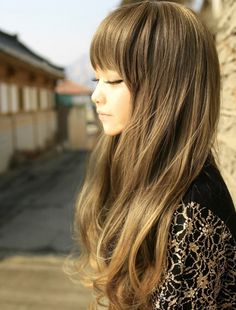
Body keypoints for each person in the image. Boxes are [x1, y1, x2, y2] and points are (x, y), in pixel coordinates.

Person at [74, 1, 236, 309]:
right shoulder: (148, 175)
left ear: (167, 87)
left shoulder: (193, 212)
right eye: (97, 80)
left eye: (114, 81)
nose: (96, 95)